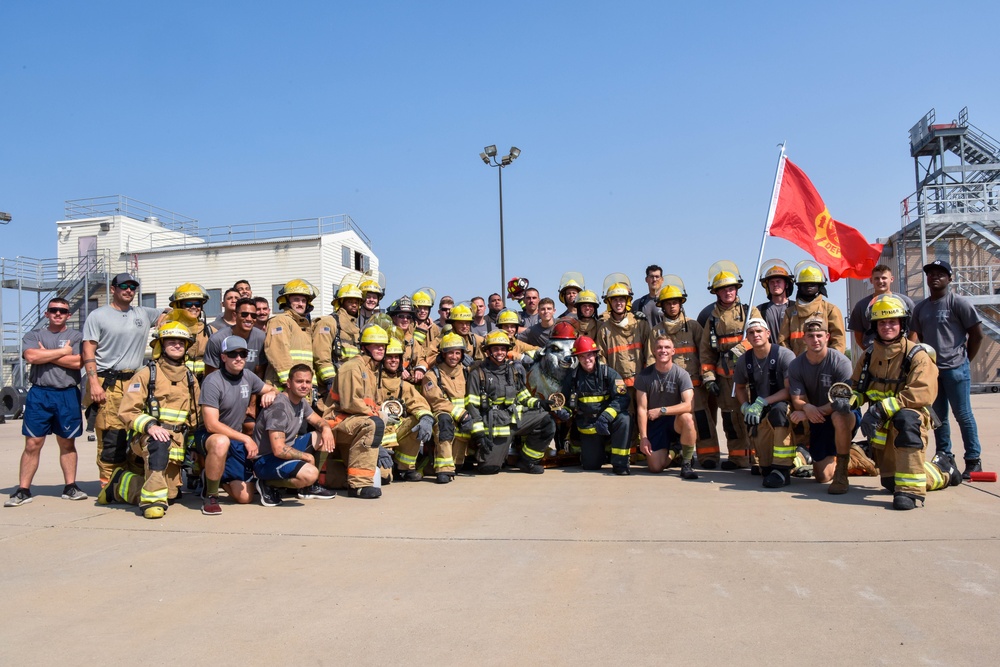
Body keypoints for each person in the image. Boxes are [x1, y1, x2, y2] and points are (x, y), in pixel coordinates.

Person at [98, 322, 200, 519]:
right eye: (172, 341)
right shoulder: (146, 374)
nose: (177, 345)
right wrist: (150, 426)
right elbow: (127, 411)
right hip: (149, 439)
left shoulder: (190, 378)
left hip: (177, 444)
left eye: (181, 342)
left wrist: (194, 445)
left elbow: (196, 416)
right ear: (161, 345)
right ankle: (151, 503)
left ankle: (119, 484)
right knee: (159, 446)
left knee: (170, 493)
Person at [853, 295, 939, 509]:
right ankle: (940, 472)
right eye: (882, 322)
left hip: (909, 419)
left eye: (893, 321)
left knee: (907, 418)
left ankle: (913, 492)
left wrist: (882, 408)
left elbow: (922, 393)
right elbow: (858, 387)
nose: (887, 326)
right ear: (875, 325)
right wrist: (850, 400)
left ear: (902, 324)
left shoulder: (917, 355)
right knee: (891, 481)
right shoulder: (868, 355)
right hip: (883, 427)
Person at [82, 272, 166, 484]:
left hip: (136, 382)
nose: (129, 290)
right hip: (107, 383)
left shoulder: (143, 313)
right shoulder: (98, 316)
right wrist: (93, 384)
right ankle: (109, 485)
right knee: (112, 436)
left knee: (136, 431)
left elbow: (171, 312)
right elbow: (88, 351)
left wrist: (172, 316)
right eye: (123, 286)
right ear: (113, 289)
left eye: (132, 287)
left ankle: (131, 482)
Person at [5, 299, 86, 507]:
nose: (58, 313)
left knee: (67, 442)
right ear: (46, 313)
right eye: (53, 310)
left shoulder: (76, 336)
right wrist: (62, 353)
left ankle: (70, 487)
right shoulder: (34, 335)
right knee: (33, 443)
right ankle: (23, 489)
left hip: (67, 394)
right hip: (40, 394)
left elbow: (78, 362)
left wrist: (46, 355)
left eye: (62, 311)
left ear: (69, 315)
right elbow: (31, 356)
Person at [910, 259, 985, 479]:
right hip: (933, 373)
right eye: (931, 273)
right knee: (938, 417)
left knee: (963, 415)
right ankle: (944, 456)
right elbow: (918, 337)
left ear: (950, 278)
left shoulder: (959, 303)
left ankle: (973, 459)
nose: (935, 277)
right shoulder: (921, 308)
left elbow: (977, 335)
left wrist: (964, 360)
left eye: (940, 274)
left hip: (956, 370)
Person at [194, 336, 278, 514]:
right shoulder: (212, 381)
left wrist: (272, 392)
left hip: (234, 439)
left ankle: (211, 476)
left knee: (245, 497)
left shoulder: (248, 376)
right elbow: (211, 425)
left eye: (243, 353)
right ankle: (211, 496)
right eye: (233, 354)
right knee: (220, 441)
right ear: (223, 357)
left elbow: (271, 389)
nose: (239, 358)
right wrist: (245, 439)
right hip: (209, 437)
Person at [466, 331, 557, 475]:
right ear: (488, 351)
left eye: (503, 349)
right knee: (489, 469)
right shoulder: (478, 374)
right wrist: (479, 434)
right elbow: (472, 407)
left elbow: (523, 396)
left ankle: (527, 461)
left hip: (514, 417)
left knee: (546, 420)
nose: (500, 352)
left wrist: (540, 404)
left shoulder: (512, 371)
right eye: (495, 349)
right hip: (494, 425)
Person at [786, 316, 858, 494]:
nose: (815, 340)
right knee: (822, 477)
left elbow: (842, 401)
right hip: (818, 418)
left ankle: (842, 468)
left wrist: (810, 411)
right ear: (804, 338)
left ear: (827, 337)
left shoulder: (841, 362)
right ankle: (856, 456)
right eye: (810, 336)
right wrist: (806, 408)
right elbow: (797, 399)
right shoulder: (796, 365)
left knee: (838, 415)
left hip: (843, 414)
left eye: (819, 335)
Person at [650, 284, 719, 468]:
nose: (672, 306)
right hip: (668, 388)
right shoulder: (656, 331)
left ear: (681, 304)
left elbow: (704, 353)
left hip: (695, 385)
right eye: (668, 303)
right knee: (675, 421)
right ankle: (678, 453)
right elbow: (652, 359)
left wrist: (706, 377)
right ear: (662, 306)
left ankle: (708, 456)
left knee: (702, 420)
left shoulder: (693, 326)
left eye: (675, 302)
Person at [699, 265, 760, 470]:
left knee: (752, 415)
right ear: (716, 292)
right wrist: (708, 378)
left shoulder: (749, 310)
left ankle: (757, 458)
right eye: (724, 289)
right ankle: (737, 458)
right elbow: (706, 352)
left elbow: (760, 336)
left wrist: (740, 349)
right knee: (730, 418)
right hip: (725, 378)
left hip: (749, 375)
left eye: (732, 288)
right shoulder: (712, 319)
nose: (728, 292)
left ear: (737, 289)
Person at [252, 364, 336, 506]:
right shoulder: (279, 408)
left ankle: (308, 488)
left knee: (322, 435)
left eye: (308, 382)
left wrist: (327, 429)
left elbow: (318, 421)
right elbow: (278, 450)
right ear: (289, 383)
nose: (304, 386)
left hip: (284, 453)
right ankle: (267, 483)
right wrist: (306, 457)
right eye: (299, 381)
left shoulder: (301, 402)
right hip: (266, 461)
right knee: (310, 473)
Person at [326, 324, 391, 499]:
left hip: (354, 422)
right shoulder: (352, 367)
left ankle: (351, 473)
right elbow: (350, 403)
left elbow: (373, 404)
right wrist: (373, 415)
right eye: (375, 345)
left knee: (384, 475)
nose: (380, 349)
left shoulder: (370, 370)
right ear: (364, 347)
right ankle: (359, 486)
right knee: (375, 422)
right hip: (338, 422)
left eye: (383, 345)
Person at [734, 318, 796, 488]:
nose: (756, 335)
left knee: (778, 412)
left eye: (759, 331)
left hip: (783, 405)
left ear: (768, 333)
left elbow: (789, 390)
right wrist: (745, 405)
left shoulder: (784, 355)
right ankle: (770, 464)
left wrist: (763, 401)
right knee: (765, 469)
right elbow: (739, 387)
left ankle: (782, 469)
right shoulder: (743, 361)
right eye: (751, 333)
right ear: (747, 337)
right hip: (759, 410)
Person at [559, 336, 632, 474]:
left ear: (595, 355)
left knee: (624, 419)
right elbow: (566, 401)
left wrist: (606, 416)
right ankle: (601, 452)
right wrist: (564, 411)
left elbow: (622, 398)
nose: (587, 360)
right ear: (577, 358)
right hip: (588, 426)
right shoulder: (572, 378)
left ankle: (620, 464)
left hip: (607, 421)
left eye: (589, 355)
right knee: (591, 465)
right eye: (582, 357)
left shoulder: (609, 374)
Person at [596, 281, 652, 448]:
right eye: (615, 300)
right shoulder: (604, 329)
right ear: (609, 303)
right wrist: (606, 381)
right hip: (619, 384)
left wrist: (650, 376)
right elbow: (601, 358)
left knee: (645, 415)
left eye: (622, 299)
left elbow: (650, 351)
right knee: (625, 417)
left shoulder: (640, 324)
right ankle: (629, 452)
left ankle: (645, 447)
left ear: (627, 301)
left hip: (641, 381)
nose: (618, 303)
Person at [635, 335, 699, 479]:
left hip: (675, 421)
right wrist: (644, 438)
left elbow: (689, 405)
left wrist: (662, 410)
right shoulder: (644, 376)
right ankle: (675, 451)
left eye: (667, 347)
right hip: (656, 424)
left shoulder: (681, 374)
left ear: (673, 351)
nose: (663, 350)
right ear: (653, 351)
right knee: (655, 467)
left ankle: (686, 463)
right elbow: (641, 409)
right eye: (659, 347)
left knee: (688, 418)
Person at [415, 333, 473, 483]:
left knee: (458, 465)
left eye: (457, 353)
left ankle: (434, 464)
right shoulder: (432, 375)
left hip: (463, 421)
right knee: (444, 422)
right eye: (450, 353)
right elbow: (436, 400)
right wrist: (460, 414)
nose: (454, 356)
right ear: (443, 354)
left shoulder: (467, 372)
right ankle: (443, 470)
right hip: (443, 415)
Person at [378, 337, 434, 481]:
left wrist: (426, 418)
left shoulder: (403, 385)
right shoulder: (373, 382)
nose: (394, 360)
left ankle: (405, 468)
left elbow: (419, 403)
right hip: (379, 433)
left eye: (396, 357)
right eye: (389, 357)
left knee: (417, 420)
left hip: (397, 429)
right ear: (382, 359)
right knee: (384, 478)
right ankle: (388, 469)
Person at [778, 262, 847, 355]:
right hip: (797, 366)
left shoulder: (830, 310)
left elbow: (839, 341)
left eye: (812, 284)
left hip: (824, 366)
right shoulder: (790, 313)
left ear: (820, 286)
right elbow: (783, 341)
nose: (808, 287)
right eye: (805, 284)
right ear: (799, 287)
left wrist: (830, 363)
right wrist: (792, 363)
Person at [263, 279, 316, 390]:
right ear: (287, 301)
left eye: (303, 300)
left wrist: (311, 385)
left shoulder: (304, 326)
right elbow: (278, 354)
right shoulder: (280, 321)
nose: (300, 304)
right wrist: (290, 383)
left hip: (299, 387)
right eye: (296, 300)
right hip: (283, 387)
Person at [848, 264, 915, 349]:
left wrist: (907, 351)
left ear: (891, 279)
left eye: (884, 278)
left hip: (900, 352)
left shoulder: (905, 302)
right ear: (871, 280)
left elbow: (914, 329)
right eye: (876, 278)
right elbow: (858, 334)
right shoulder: (861, 306)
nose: (880, 281)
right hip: (874, 353)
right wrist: (869, 353)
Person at [312, 283, 363, 395]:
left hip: (350, 381)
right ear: (340, 302)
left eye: (356, 302)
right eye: (350, 301)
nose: (354, 305)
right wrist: (329, 379)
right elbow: (320, 353)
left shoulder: (356, 329)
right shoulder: (328, 322)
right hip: (329, 385)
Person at [163, 283, 214, 379]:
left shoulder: (210, 331)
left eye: (197, 304)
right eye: (188, 304)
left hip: (204, 384)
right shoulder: (170, 330)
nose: (194, 307)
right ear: (179, 306)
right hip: (178, 382)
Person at [204, 298, 266, 377]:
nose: (249, 319)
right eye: (244, 314)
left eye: (253, 316)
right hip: (223, 387)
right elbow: (211, 376)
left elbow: (259, 372)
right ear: (235, 315)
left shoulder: (261, 338)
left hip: (249, 386)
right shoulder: (217, 340)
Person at [756, 259, 793, 340]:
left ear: (786, 285)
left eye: (778, 281)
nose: (775, 284)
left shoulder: (796, 307)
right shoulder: (760, 310)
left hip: (793, 352)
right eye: (771, 282)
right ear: (768, 286)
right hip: (769, 352)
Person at [411, 288, 442, 380]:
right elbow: (410, 348)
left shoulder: (434, 328)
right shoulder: (409, 326)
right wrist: (420, 332)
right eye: (419, 308)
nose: (423, 311)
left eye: (425, 308)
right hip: (413, 368)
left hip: (430, 367)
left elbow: (436, 349)